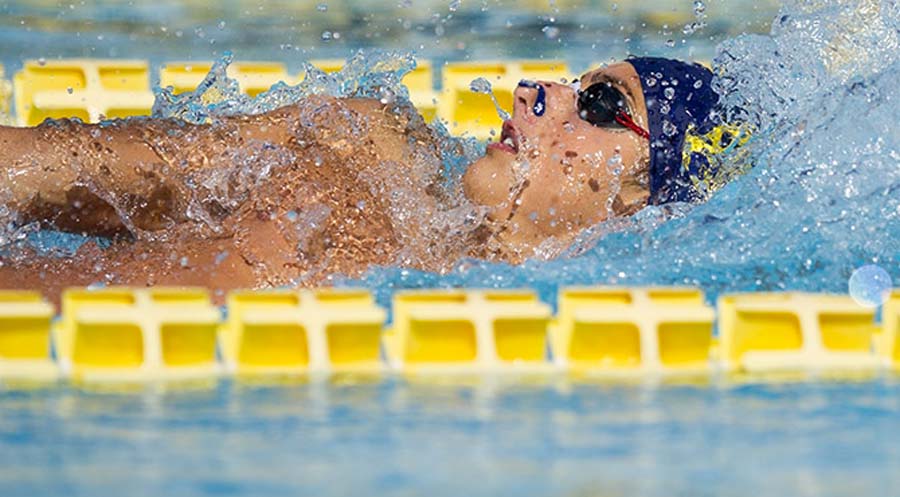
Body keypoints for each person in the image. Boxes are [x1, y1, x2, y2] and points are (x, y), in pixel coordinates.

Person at [0, 57, 725, 299]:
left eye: (599, 104)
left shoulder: (352, 244)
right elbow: (46, 168)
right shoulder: (363, 144)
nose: (534, 92)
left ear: (641, 206)